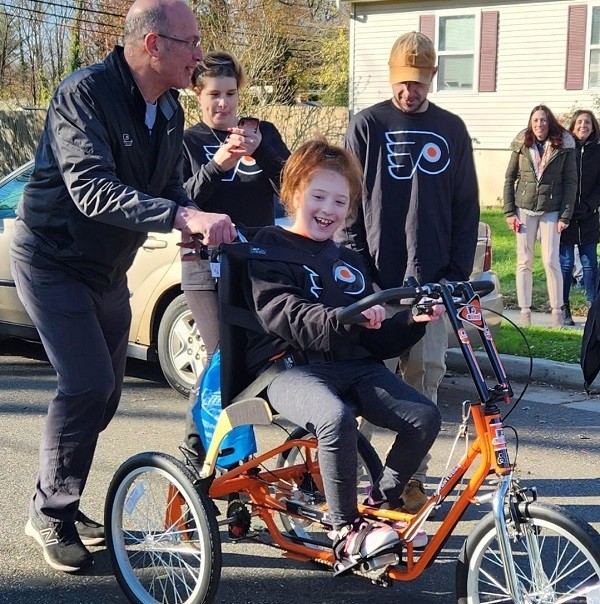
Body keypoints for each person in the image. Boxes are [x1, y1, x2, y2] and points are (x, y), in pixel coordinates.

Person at [9, 0, 236, 573]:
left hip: (108, 271)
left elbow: (170, 187)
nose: (199, 54)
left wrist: (196, 204)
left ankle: (57, 499)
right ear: (153, 44)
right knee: (85, 384)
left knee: (107, 391)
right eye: (190, 42)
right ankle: (51, 515)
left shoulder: (169, 110)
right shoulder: (83, 94)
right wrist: (182, 219)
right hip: (52, 259)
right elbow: (93, 191)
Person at [245, 139, 442, 573]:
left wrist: (412, 321)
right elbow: (282, 312)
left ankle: (379, 502)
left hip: (354, 366)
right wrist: (343, 316)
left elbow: (375, 343)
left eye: (340, 201)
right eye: (318, 196)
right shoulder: (269, 245)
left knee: (424, 417)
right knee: (334, 419)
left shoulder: (349, 261)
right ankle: (345, 528)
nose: (328, 209)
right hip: (291, 369)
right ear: (295, 193)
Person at [339, 31, 479, 513]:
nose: (409, 91)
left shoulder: (452, 129)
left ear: (431, 79)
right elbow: (348, 205)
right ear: (392, 77)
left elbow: (466, 207)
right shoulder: (366, 125)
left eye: (418, 83)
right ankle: (344, 476)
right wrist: (358, 272)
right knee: (361, 382)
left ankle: (411, 479)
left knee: (423, 381)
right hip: (374, 281)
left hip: (432, 283)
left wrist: (456, 276)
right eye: (402, 82)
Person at [179, 51, 290, 469]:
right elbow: (182, 201)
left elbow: (294, 188)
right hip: (203, 264)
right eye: (213, 95)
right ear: (197, 94)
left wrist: (261, 153)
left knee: (262, 358)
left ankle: (232, 453)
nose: (222, 104)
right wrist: (218, 162)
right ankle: (197, 452)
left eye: (230, 94)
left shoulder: (264, 133)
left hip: (256, 264)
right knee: (221, 357)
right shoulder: (187, 141)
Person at [503, 105, 577, 328]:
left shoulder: (563, 146)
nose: (539, 125)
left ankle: (557, 314)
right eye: (535, 120)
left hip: (552, 210)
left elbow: (571, 182)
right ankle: (524, 313)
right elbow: (509, 178)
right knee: (524, 261)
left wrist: (565, 216)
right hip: (524, 209)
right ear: (530, 122)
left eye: (543, 120)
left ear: (549, 122)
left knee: (551, 260)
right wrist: (509, 212)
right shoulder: (522, 143)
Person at [559, 110, 600, 325]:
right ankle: (563, 307)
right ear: (573, 126)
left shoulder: (598, 151)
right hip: (566, 216)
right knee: (565, 264)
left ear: (593, 127)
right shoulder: (565, 149)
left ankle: (594, 308)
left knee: (590, 263)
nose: (583, 125)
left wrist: (589, 205)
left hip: (589, 215)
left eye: (588, 122)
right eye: (580, 122)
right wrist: (567, 207)